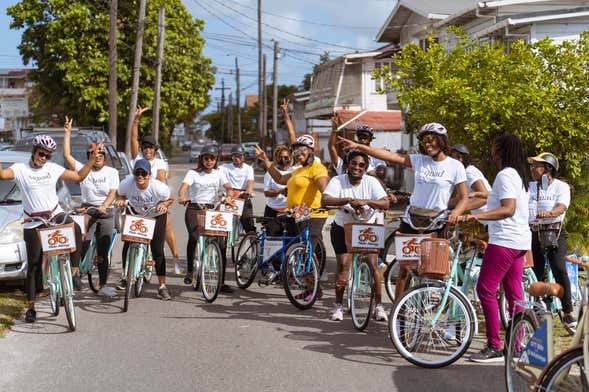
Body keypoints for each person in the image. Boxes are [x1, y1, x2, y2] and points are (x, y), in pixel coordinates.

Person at [339, 122, 469, 299]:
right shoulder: (419, 160)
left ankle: (432, 311)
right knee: (404, 270)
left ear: (441, 141)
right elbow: (390, 156)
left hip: (437, 223)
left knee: (434, 270)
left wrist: (455, 213)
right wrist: (359, 146)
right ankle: (397, 313)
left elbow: (464, 198)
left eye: (431, 139)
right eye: (424, 141)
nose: (428, 144)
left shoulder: (455, 166)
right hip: (412, 219)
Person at [0, 132, 96, 323]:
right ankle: (31, 307)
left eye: (48, 155)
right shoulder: (20, 169)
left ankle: (75, 273)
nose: (44, 158)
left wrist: (91, 161)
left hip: (54, 214)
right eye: (41, 154)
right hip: (33, 221)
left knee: (76, 229)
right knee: (34, 264)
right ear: (34, 151)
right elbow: (3, 175)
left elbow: (78, 176)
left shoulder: (52, 168)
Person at [458, 134, 531, 363]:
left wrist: (473, 216)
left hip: (505, 242)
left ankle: (493, 346)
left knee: (485, 290)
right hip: (518, 242)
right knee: (514, 294)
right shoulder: (519, 176)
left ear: (499, 150)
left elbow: (508, 209)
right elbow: (509, 206)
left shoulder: (505, 174)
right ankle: (517, 346)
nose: (490, 151)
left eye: (493, 146)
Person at [254, 134, 329, 299]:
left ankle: (314, 289)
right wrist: (265, 160)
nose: (299, 157)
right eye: (297, 154)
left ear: (310, 153)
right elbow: (280, 178)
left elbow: (324, 186)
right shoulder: (298, 170)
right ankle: (313, 289)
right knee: (303, 251)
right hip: (298, 215)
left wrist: (328, 198)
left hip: (314, 214)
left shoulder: (317, 168)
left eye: (302, 154)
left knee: (309, 250)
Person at [321, 150, 389, 321]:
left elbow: (386, 202)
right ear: (347, 164)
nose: (357, 167)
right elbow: (325, 200)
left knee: (374, 266)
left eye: (361, 165)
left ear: (365, 168)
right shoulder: (338, 180)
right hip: (343, 227)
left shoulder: (371, 182)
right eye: (353, 163)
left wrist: (366, 201)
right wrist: (347, 200)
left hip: (367, 228)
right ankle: (338, 306)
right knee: (343, 266)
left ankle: (379, 306)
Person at [63, 117, 119, 297]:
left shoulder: (112, 172)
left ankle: (102, 284)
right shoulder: (83, 169)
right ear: (89, 158)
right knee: (82, 241)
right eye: (94, 155)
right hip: (87, 210)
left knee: (103, 249)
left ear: (104, 158)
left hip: (105, 212)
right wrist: (67, 133)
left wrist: (104, 206)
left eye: (101, 155)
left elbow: (112, 193)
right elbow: (66, 156)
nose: (98, 158)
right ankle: (75, 273)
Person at [130, 106, 181, 275]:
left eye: (151, 148)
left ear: (155, 149)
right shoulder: (137, 159)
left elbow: (161, 177)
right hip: (138, 202)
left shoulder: (159, 163)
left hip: (156, 200)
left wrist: (162, 200)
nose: (147, 150)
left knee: (166, 226)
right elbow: (133, 138)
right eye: (145, 147)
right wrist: (136, 119)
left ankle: (175, 256)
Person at [527, 152, 575, 328]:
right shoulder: (531, 187)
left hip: (554, 232)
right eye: (531, 166)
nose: (532, 169)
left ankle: (568, 311)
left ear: (548, 169)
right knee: (535, 271)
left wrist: (550, 213)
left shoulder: (561, 186)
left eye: (536, 166)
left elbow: (561, 206)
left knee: (559, 269)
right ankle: (537, 309)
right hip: (534, 233)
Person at [177, 145, 234, 293]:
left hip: (213, 209)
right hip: (194, 209)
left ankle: (221, 283)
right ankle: (190, 270)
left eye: (212, 158)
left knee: (221, 243)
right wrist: (182, 196)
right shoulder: (193, 173)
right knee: (194, 237)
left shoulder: (219, 174)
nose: (209, 161)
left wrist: (228, 196)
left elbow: (229, 188)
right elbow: (183, 188)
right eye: (206, 158)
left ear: (216, 160)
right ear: (201, 159)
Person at [115, 159, 174, 301]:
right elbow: (119, 194)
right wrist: (120, 200)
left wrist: (164, 204)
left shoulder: (158, 187)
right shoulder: (127, 183)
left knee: (157, 250)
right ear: (133, 173)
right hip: (134, 212)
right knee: (127, 243)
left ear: (149, 174)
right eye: (137, 173)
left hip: (156, 215)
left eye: (144, 173)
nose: (140, 176)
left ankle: (162, 286)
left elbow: (170, 198)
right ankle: (125, 276)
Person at [219, 144, 255, 233]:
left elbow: (250, 181)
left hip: (243, 196)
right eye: (234, 156)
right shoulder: (224, 167)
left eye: (239, 156)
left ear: (244, 156)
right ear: (231, 157)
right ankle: (221, 245)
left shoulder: (248, 168)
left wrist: (249, 190)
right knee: (221, 224)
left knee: (248, 223)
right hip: (229, 197)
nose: (237, 158)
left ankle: (253, 241)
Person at [449, 144, 491, 213]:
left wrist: (458, 209)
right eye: (456, 157)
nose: (460, 160)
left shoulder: (468, 172)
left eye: (462, 157)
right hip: (488, 221)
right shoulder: (462, 174)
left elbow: (484, 199)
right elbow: (459, 199)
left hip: (494, 220)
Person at [263, 145, 294, 235]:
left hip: (290, 211)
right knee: (273, 241)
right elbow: (266, 193)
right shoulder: (271, 172)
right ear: (276, 158)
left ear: (290, 158)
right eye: (280, 157)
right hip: (273, 210)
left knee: (291, 241)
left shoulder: (294, 171)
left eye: (285, 157)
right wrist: (280, 191)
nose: (283, 159)